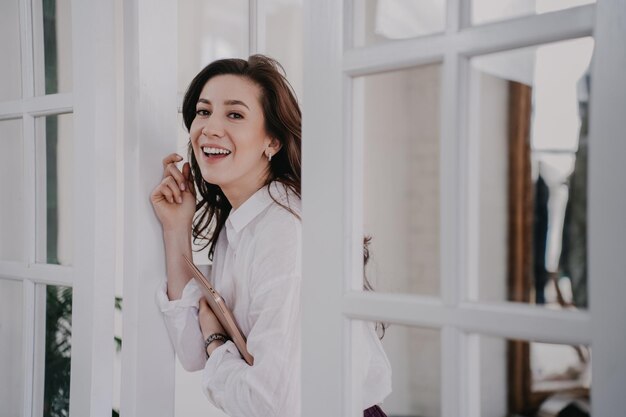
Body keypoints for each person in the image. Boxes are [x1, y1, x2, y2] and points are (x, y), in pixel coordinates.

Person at [150, 55, 391, 417]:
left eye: (235, 114)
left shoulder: (283, 231)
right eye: (203, 111)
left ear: (273, 142)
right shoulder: (243, 223)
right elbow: (189, 350)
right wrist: (176, 228)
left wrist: (217, 342)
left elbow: (269, 402)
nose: (210, 128)